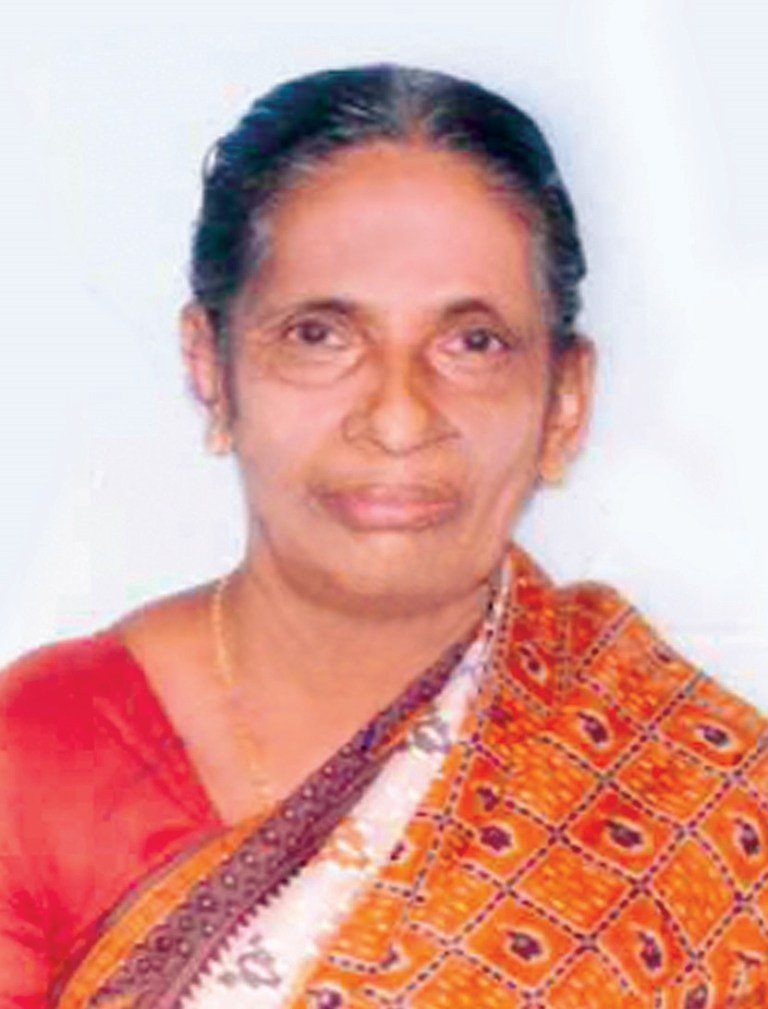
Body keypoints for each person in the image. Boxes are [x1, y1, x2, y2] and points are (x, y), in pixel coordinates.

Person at [1, 64, 766, 1009]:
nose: (400, 418)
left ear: (565, 401)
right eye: (320, 335)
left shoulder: (698, 801)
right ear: (212, 369)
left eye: (473, 342)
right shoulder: (42, 757)